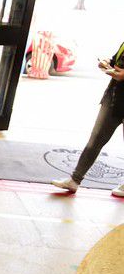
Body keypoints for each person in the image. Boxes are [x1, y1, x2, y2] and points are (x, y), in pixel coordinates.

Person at [52, 42, 124, 197]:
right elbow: (116, 61)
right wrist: (107, 63)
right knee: (95, 140)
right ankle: (74, 180)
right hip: (114, 98)